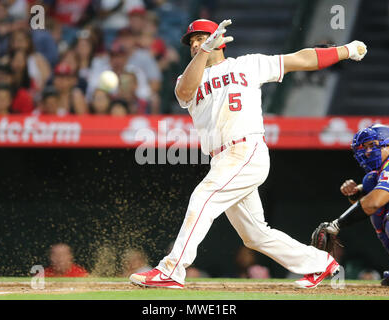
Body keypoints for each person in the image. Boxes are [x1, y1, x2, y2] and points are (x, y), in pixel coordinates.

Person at [129, 19, 368, 289]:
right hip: (222, 158)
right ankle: (321, 264)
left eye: (202, 38)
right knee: (255, 235)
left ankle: (172, 269)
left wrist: (345, 50)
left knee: (203, 197)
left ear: (220, 38)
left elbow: (300, 59)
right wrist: (205, 50)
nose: (195, 43)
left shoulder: (247, 64)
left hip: (246, 148)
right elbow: (184, 92)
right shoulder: (188, 77)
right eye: (192, 41)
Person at [314, 124, 389, 287]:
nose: (367, 151)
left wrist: (337, 224)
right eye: (364, 147)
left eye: (372, 145)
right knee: (381, 216)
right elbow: (366, 201)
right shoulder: (375, 176)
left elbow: (373, 202)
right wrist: (355, 192)